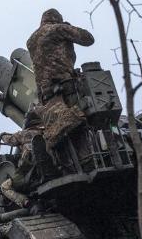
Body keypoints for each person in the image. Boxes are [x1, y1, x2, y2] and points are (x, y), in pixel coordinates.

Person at [26, 8, 94, 151]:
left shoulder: (30, 40)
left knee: (63, 134)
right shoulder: (57, 29)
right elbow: (88, 39)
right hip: (67, 89)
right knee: (81, 125)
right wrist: (67, 27)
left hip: (46, 97)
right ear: (57, 19)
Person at [0, 109, 46, 208]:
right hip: (49, 165)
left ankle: (28, 203)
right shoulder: (46, 132)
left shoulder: (23, 134)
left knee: (5, 187)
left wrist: (2, 135)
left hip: (28, 171)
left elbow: (10, 140)